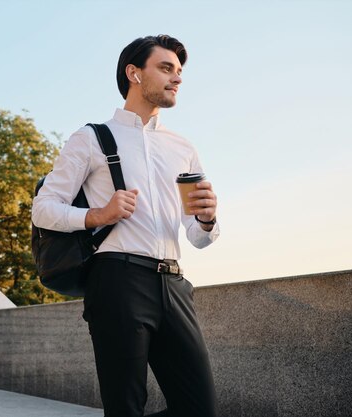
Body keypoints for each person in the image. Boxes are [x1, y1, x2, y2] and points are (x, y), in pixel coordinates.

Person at [31, 35, 220, 417]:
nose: (177, 78)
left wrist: (207, 218)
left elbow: (198, 237)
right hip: (117, 280)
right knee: (125, 407)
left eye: (179, 72)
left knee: (200, 409)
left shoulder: (182, 147)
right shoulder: (91, 138)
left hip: (174, 284)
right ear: (133, 73)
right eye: (166, 68)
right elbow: (43, 209)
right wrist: (97, 215)